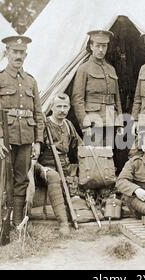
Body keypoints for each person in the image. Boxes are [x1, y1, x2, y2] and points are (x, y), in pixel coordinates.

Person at [0, 36, 45, 226]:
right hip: (5, 139)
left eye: (21, 53)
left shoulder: (30, 81)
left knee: (21, 180)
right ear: (6, 53)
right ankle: (4, 222)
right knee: (5, 180)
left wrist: (38, 141)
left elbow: (38, 113)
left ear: (26, 55)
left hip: (26, 138)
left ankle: (18, 221)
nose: (18, 56)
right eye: (14, 52)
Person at [34, 93, 81, 235]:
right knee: (54, 176)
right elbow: (33, 155)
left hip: (65, 167)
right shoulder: (44, 125)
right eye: (58, 106)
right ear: (52, 107)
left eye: (65, 106)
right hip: (44, 167)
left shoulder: (68, 124)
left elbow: (79, 145)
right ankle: (63, 223)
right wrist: (42, 169)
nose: (62, 110)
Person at [71, 30, 124, 148]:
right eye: (98, 46)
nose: (101, 50)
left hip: (110, 118)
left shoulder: (111, 69)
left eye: (104, 46)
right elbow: (77, 99)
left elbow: (117, 99)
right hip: (93, 119)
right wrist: (85, 124)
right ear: (91, 46)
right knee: (94, 157)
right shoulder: (84, 68)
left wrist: (119, 122)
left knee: (108, 154)